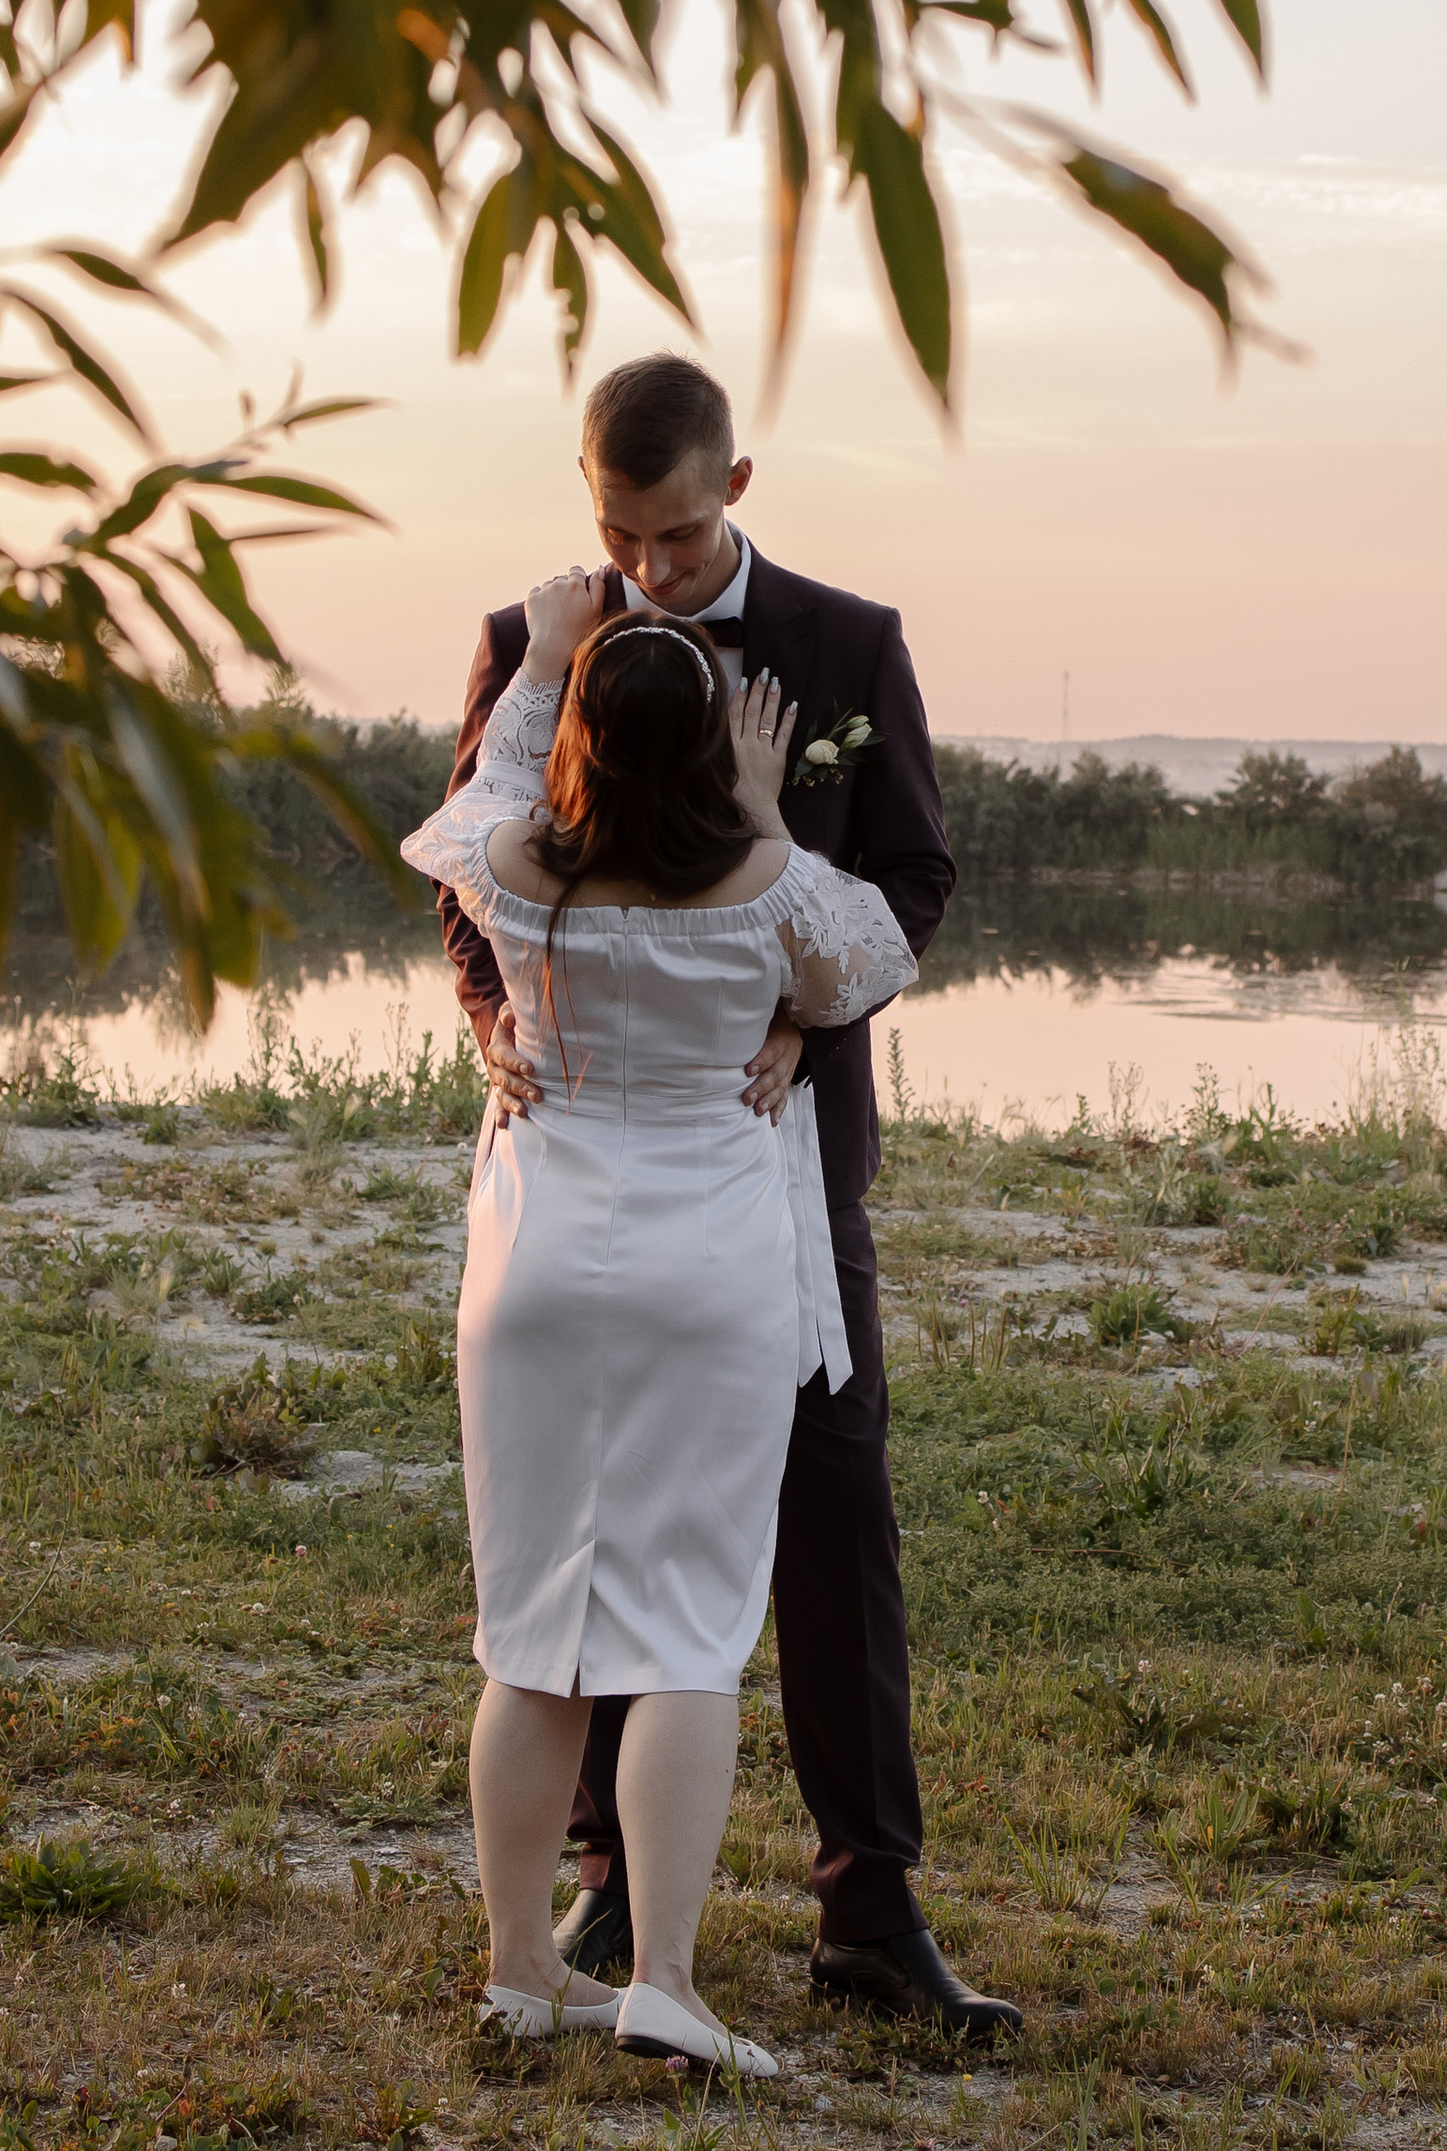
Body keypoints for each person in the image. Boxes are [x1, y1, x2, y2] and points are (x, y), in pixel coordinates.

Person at [436, 352, 1023, 2041]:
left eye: (680, 536)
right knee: (612, 1538)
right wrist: (498, 1026)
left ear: (738, 486)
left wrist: (786, 1004)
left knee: (833, 1499)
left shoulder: (849, 648)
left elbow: (907, 879)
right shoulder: (527, 636)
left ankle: (869, 1902)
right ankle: (618, 1882)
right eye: (618, 532)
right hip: (597, 1134)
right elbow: (475, 903)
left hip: (770, 1140)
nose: (650, 569)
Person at [403, 566, 919, 2070]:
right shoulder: (769, 890)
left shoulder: (517, 865)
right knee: (688, 1629)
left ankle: (519, 1965)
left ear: (577, 738)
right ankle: (669, 1981)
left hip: (538, 1268)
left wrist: (546, 663)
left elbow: (466, 817)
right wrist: (762, 809)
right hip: (706, 1273)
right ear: (717, 750)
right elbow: (867, 961)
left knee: (530, 1634)